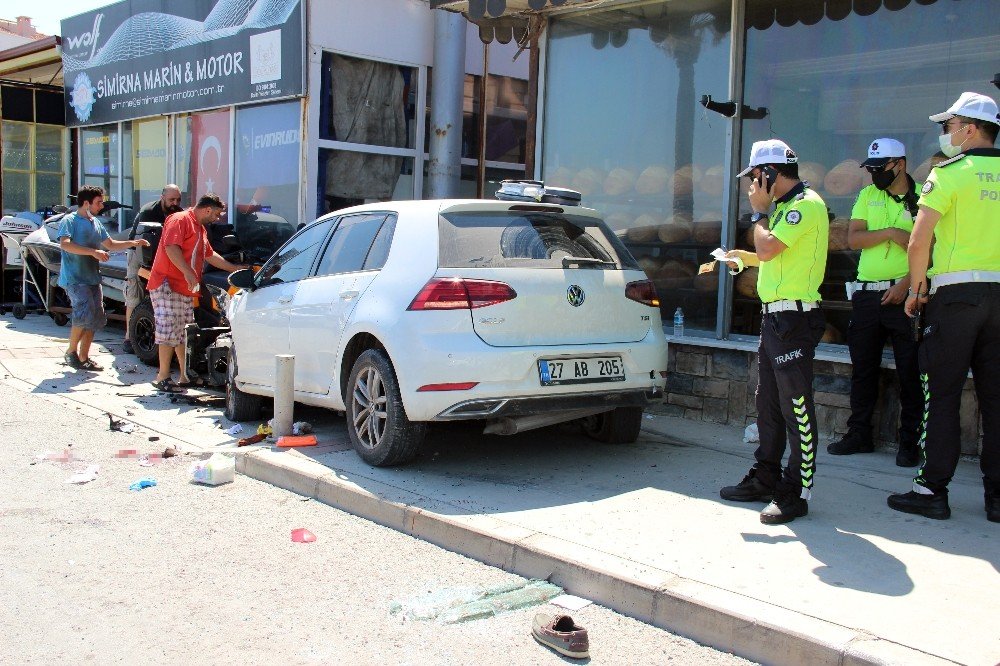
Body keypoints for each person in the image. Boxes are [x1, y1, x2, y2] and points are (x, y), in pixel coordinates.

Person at [888, 91, 1000, 522]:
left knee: (943, 394)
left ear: (970, 128)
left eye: (948, 126)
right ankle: (997, 498)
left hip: (955, 298)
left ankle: (932, 488)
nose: (945, 134)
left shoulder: (950, 173)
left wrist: (916, 290)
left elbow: (919, 239)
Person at [719, 139, 829, 525]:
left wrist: (757, 215)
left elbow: (768, 248)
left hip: (795, 320)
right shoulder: (785, 209)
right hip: (775, 318)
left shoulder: (805, 205)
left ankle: (795, 492)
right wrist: (742, 257)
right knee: (768, 404)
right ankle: (765, 476)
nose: (751, 185)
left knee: (796, 408)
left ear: (768, 173)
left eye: (753, 176)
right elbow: (772, 255)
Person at [827, 138, 922, 467]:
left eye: (879, 169)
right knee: (863, 369)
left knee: (911, 371)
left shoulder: (925, 196)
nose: (874, 175)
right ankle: (859, 433)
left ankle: (909, 442)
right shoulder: (868, 195)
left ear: (900, 164)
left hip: (906, 295)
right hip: (868, 294)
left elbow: (934, 251)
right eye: (871, 169)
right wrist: (894, 233)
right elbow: (854, 237)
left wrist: (907, 286)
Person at [146, 194, 243, 393]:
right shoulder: (180, 219)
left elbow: (209, 255)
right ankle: (162, 376)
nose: (217, 218)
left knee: (183, 332)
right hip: (167, 283)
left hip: (184, 286)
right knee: (168, 328)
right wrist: (188, 272)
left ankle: (184, 376)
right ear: (207, 209)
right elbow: (171, 247)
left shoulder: (199, 228)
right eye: (216, 214)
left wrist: (233, 268)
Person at [57, 185, 149, 371]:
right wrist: (94, 252)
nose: (102, 206)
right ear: (85, 203)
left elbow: (110, 244)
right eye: (98, 202)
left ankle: (84, 357)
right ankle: (71, 352)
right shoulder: (70, 220)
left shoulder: (95, 222)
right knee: (83, 316)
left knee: (96, 319)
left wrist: (133, 242)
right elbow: (65, 245)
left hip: (92, 278)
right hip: (75, 278)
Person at [123, 185, 182, 354]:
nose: (175, 203)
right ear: (162, 196)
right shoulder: (149, 212)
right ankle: (128, 336)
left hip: (163, 253)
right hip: (138, 250)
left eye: (178, 199)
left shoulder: (177, 211)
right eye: (171, 199)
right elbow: (144, 240)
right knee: (134, 290)